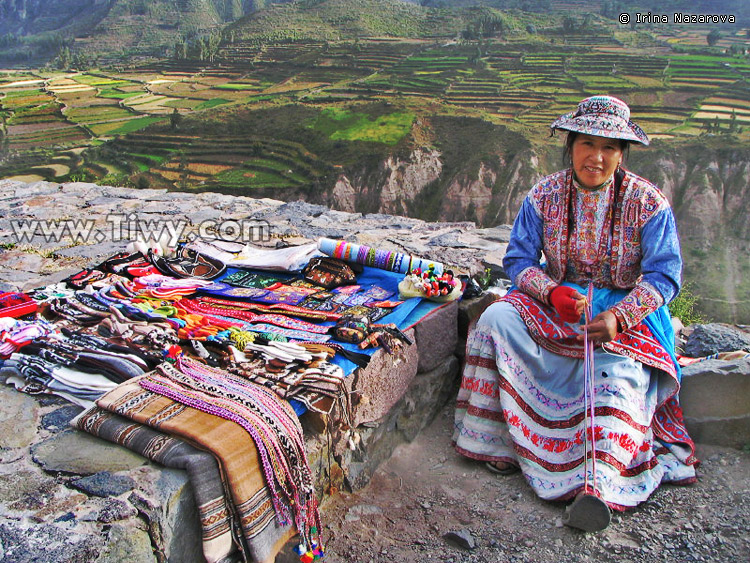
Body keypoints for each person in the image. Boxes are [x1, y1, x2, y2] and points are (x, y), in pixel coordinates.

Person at [452, 95, 698, 532]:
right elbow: (518, 261)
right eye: (587, 144)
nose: (596, 157)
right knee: (494, 321)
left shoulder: (648, 202)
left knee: (616, 383)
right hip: (556, 304)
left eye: (609, 147)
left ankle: (596, 484)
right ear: (571, 146)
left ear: (622, 154)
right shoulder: (543, 195)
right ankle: (503, 446)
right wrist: (551, 292)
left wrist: (619, 318)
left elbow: (664, 276)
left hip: (622, 315)